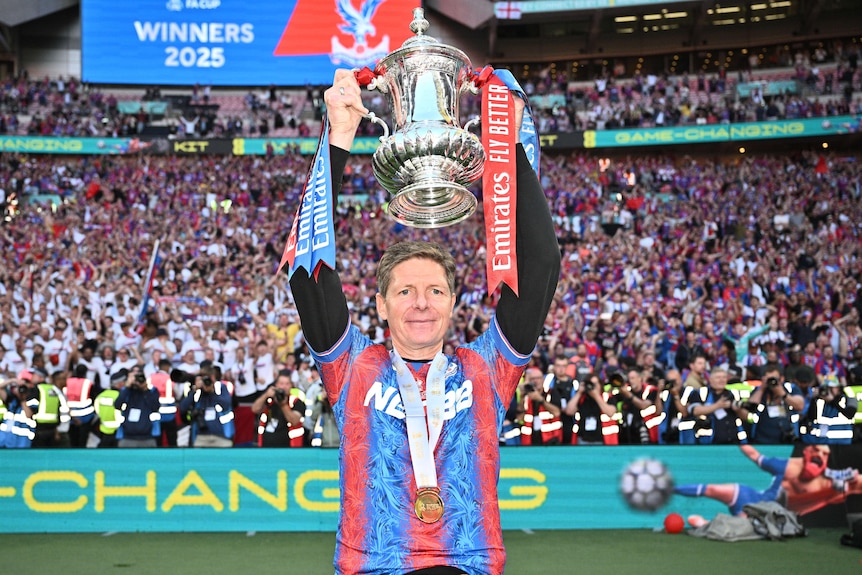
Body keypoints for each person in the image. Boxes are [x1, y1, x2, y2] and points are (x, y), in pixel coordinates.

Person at [288, 69, 559, 575]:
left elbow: (541, 263)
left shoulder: (486, 369)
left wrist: (507, 146)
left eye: (435, 291)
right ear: (380, 305)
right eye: (404, 291)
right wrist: (338, 136)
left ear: (453, 303)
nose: (420, 304)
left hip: (468, 563)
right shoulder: (353, 367)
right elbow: (308, 274)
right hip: (372, 565)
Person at [676, 444, 862, 526]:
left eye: (824, 454)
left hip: (767, 516)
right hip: (753, 499)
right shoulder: (786, 466)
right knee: (713, 489)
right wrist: (738, 438)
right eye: (815, 450)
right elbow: (754, 456)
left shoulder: (835, 483)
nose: (819, 455)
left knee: (743, 526)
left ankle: (706, 525)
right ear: (806, 452)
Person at [686, 367, 749, 444]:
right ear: (710, 380)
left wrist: (738, 410)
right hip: (708, 442)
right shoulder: (701, 393)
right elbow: (695, 411)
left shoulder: (733, 394)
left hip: (735, 441)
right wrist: (717, 405)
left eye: (724, 377)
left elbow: (746, 416)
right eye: (718, 378)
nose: (721, 380)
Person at [746, 363, 805, 444]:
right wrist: (762, 389)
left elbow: (800, 406)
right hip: (762, 439)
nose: (772, 382)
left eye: (775, 379)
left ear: (782, 379)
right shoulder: (759, 390)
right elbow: (750, 407)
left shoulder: (790, 388)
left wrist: (783, 394)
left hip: (787, 438)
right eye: (769, 379)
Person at [178, 366, 235, 447]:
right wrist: (195, 390)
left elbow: (226, 404)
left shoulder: (221, 387)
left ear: (214, 377)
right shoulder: (197, 391)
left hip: (222, 435)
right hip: (201, 436)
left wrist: (212, 392)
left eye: (209, 378)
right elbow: (183, 408)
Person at [251, 369, 306, 447]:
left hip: (288, 447)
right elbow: (255, 409)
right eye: (281, 383)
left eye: (287, 384)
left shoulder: (296, 402)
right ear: (276, 385)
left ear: (291, 385)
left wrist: (283, 405)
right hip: (266, 446)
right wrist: (266, 395)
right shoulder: (270, 400)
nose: (284, 387)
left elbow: (294, 421)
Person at [800, 375, 858, 444]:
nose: (829, 391)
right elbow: (811, 417)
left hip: (843, 441)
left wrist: (832, 401)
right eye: (826, 388)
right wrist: (813, 399)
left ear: (839, 388)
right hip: (822, 441)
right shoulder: (819, 401)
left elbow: (850, 414)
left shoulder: (848, 399)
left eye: (832, 388)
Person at [115, 366, 161, 447]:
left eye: (139, 375)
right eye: (134, 375)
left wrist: (145, 389)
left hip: (147, 437)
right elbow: (117, 405)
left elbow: (155, 407)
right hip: (127, 437)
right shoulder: (125, 390)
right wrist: (127, 386)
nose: (136, 379)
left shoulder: (152, 390)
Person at [567, 371, 618, 445]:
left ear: (600, 385)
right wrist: (579, 392)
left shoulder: (607, 397)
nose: (593, 387)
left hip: (603, 439)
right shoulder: (582, 398)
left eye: (595, 384)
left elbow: (610, 413)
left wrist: (596, 396)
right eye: (591, 384)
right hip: (583, 438)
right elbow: (569, 411)